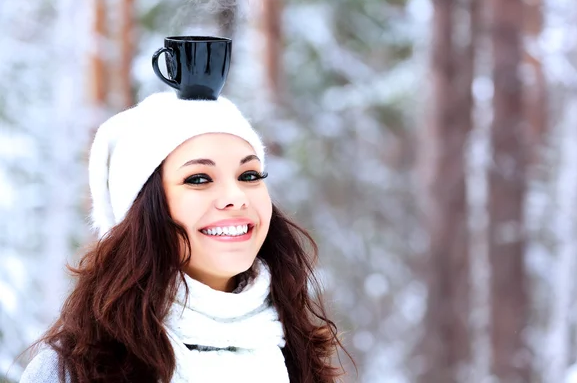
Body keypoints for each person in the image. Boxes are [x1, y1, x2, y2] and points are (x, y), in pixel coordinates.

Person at [19, 92, 350, 382]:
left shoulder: (297, 354)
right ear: (143, 210)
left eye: (249, 175)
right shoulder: (74, 369)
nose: (236, 196)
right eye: (199, 179)